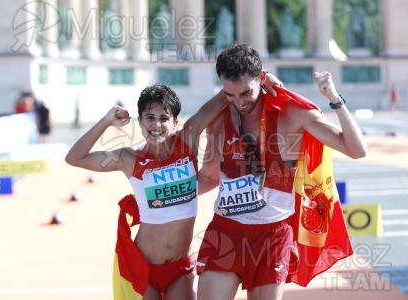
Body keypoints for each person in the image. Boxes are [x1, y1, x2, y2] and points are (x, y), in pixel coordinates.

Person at [64, 79, 281, 299]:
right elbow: (74, 158)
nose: (156, 125)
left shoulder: (187, 140)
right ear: (140, 122)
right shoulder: (129, 158)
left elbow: (221, 100)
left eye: (163, 118)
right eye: (150, 118)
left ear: (175, 122)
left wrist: (257, 78)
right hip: (143, 268)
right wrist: (107, 120)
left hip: (180, 270)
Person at [196, 42, 367, 300]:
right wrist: (166, 199)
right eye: (229, 95)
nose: (238, 102)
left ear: (261, 78)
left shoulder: (292, 114)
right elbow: (209, 176)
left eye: (245, 93)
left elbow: (356, 150)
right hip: (226, 231)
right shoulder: (219, 119)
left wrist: (334, 99)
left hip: (272, 235)